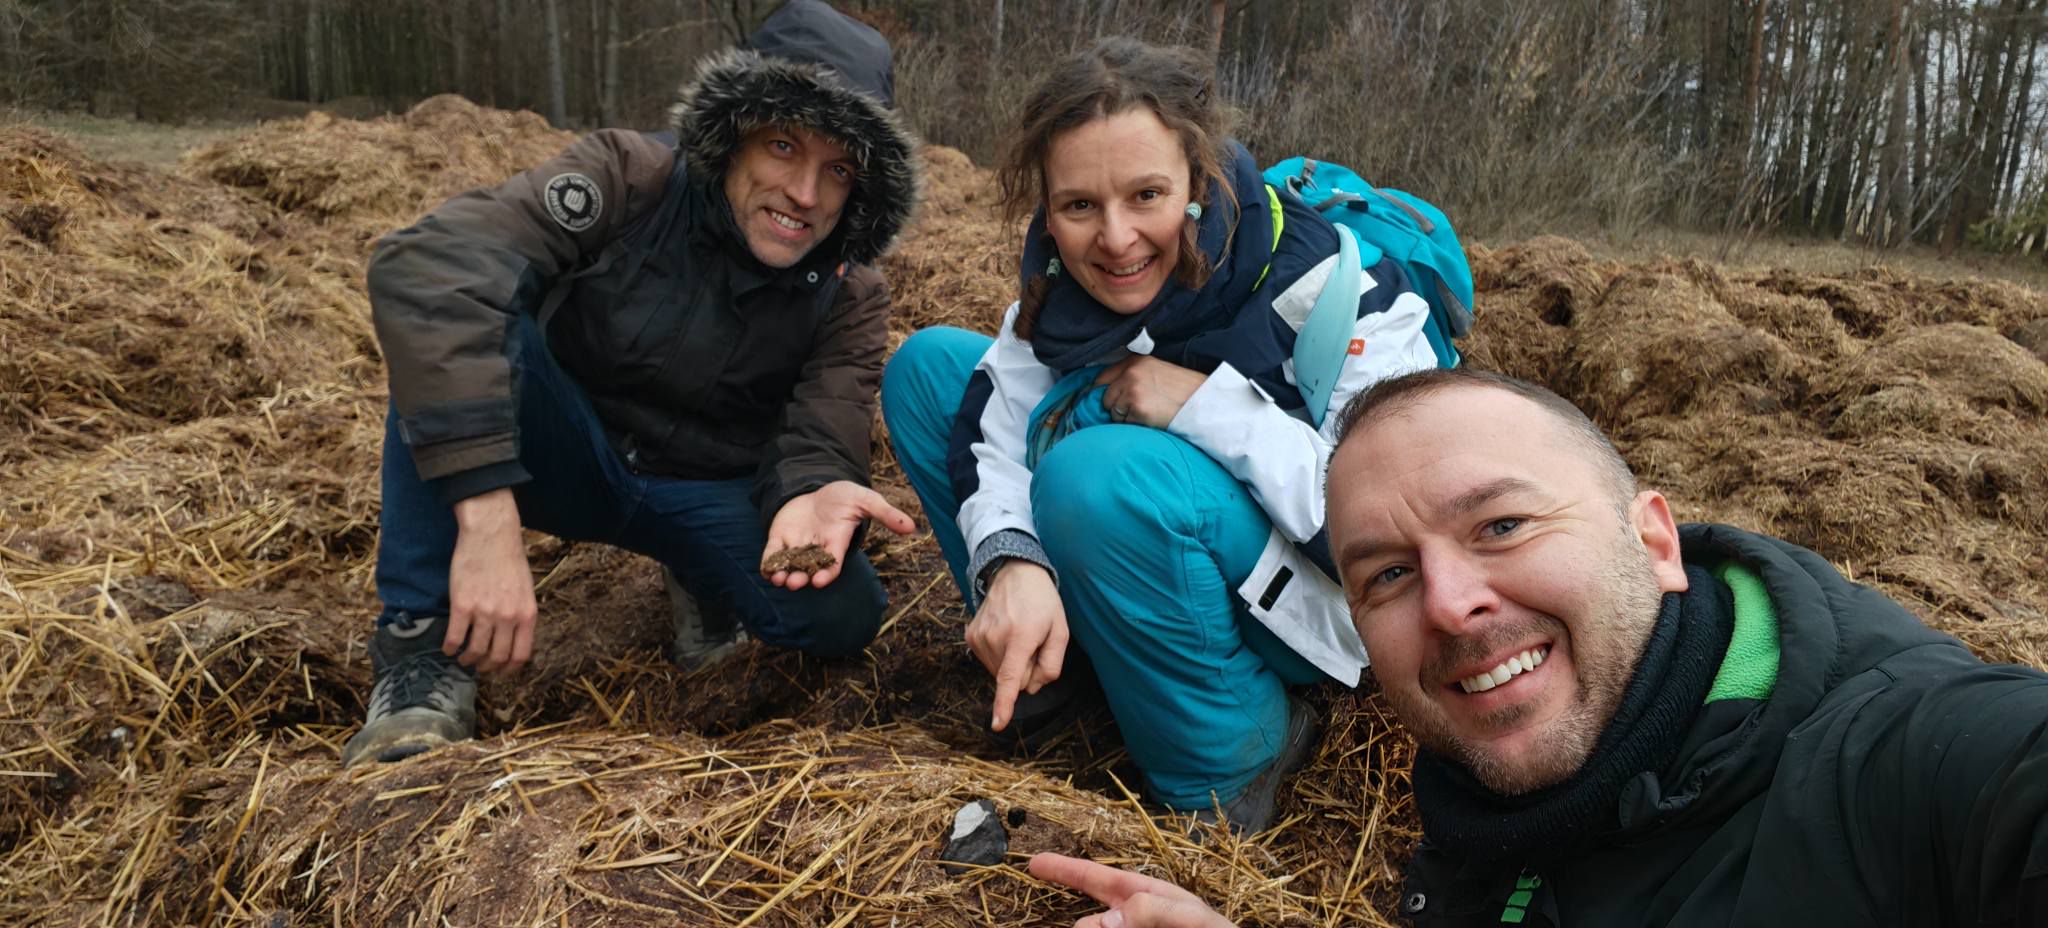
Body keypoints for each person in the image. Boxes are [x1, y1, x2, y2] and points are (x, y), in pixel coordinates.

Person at [1031, 367, 2048, 926]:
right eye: (1384, 573)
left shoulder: (1912, 760)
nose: (1448, 603)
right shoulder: (1493, 824)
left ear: (1651, 537)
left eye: (1501, 526)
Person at [879, 37, 1443, 832]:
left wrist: (1202, 406)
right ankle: (1058, 667)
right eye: (1079, 206)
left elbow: (1396, 524)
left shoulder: (1332, 292)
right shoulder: (1058, 291)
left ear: (1200, 180)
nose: (1114, 240)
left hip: (1314, 600)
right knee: (932, 370)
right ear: (1046, 207)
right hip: (1153, 541)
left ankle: (1235, 752)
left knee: (1099, 475)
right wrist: (1010, 559)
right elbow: (990, 430)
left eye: (1146, 196)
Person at [340, 0, 922, 768]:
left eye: (838, 168)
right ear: (736, 132)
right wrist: (485, 518)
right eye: (784, 145)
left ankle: (701, 581)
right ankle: (420, 654)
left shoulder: (851, 293)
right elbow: (429, 269)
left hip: (698, 490)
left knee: (840, 614)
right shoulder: (629, 177)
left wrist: (809, 490)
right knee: (459, 332)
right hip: (559, 452)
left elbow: (823, 426)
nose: (805, 195)